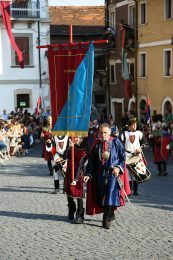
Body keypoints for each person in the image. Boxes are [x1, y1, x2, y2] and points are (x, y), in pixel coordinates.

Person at [84, 123, 130, 229]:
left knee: (110, 194)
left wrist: (118, 168)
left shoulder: (116, 142)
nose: (103, 134)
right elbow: (91, 161)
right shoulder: (96, 144)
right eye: (101, 132)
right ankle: (110, 213)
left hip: (112, 174)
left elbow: (123, 157)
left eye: (105, 132)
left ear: (109, 132)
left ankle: (106, 218)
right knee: (102, 195)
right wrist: (88, 174)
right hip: (100, 174)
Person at [64, 136, 88, 224]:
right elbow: (64, 156)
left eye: (78, 137)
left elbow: (80, 166)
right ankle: (72, 208)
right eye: (74, 137)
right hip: (69, 173)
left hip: (78, 175)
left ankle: (80, 215)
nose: (76, 139)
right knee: (69, 193)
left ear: (81, 139)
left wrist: (76, 178)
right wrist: (69, 147)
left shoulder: (83, 151)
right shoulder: (70, 148)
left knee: (78, 195)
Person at [121, 118, 144, 196]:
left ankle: (135, 191)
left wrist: (140, 148)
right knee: (127, 174)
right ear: (129, 126)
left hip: (136, 155)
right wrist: (115, 135)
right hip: (127, 155)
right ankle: (129, 191)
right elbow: (120, 142)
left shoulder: (139, 133)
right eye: (132, 125)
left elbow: (143, 143)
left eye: (135, 125)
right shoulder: (125, 133)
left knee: (136, 173)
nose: (134, 126)